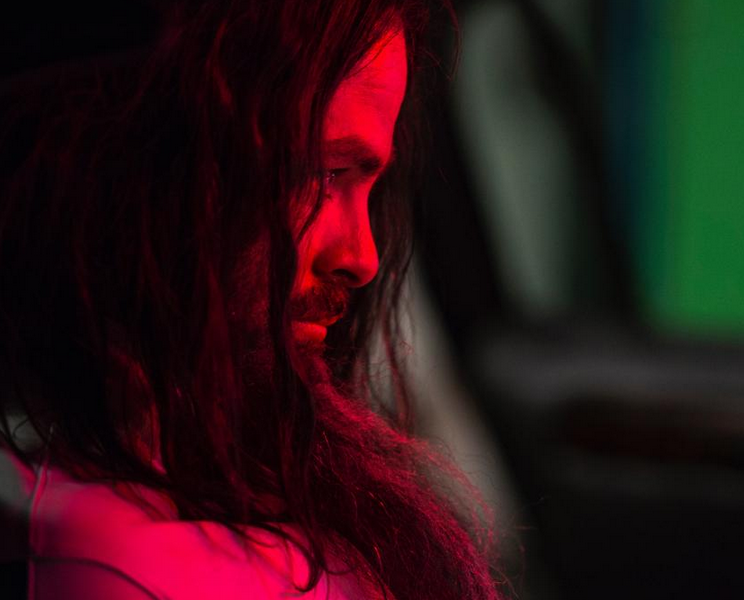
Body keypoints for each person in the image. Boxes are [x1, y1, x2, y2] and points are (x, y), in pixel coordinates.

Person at [0, 1, 503, 599]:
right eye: (324, 174)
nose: (363, 257)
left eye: (372, 187)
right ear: (158, 167)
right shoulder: (117, 560)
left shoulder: (236, 491)